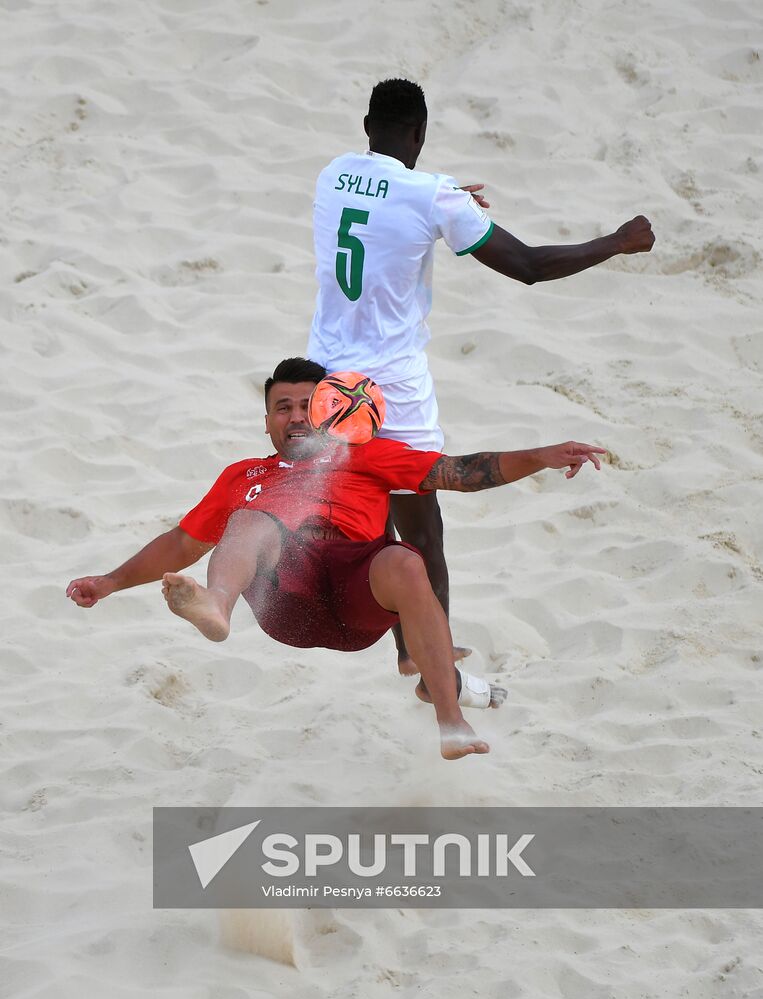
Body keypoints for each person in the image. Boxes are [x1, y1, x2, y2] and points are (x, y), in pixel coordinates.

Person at [67, 358, 606, 761]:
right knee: (251, 520)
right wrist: (111, 581)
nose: (297, 417)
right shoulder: (245, 475)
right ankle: (216, 607)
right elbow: (181, 544)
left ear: (331, 408)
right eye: (283, 408)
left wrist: (541, 456)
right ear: (267, 422)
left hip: (357, 596)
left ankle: (452, 722)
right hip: (286, 599)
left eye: (309, 405)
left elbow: (459, 473)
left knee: (405, 562)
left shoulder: (365, 455)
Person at [307, 77, 654, 673]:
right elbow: (528, 267)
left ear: (368, 127)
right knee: (424, 534)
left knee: (370, 521)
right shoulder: (432, 195)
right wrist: (618, 242)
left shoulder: (334, 174)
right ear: (420, 133)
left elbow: (382, 209)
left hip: (330, 384)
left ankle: (409, 652)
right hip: (393, 392)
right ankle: (424, 663)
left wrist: (444, 206)